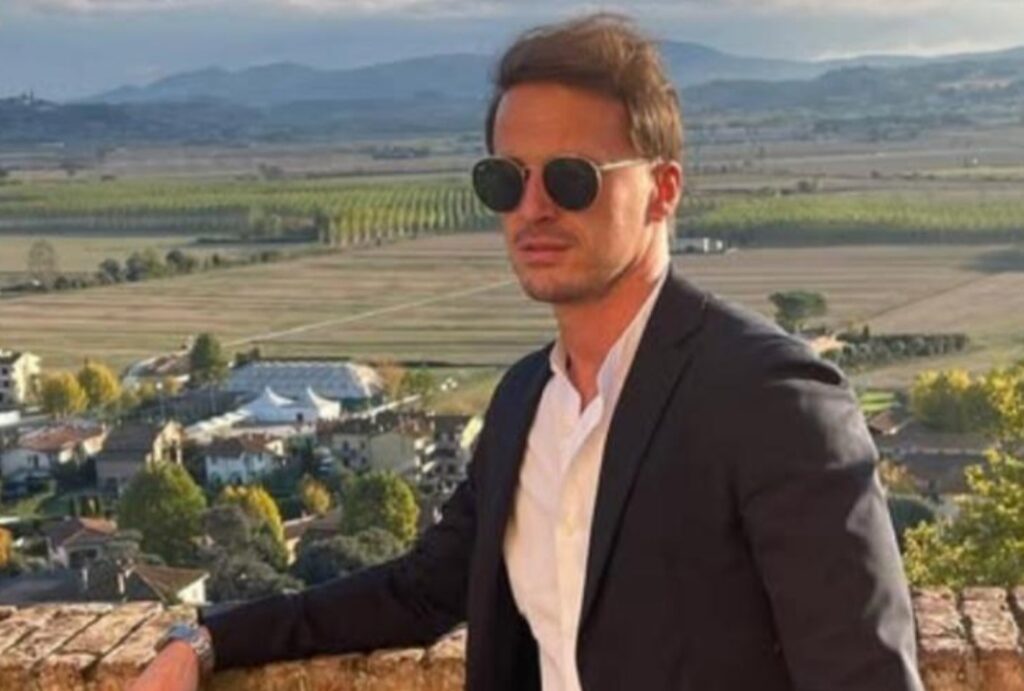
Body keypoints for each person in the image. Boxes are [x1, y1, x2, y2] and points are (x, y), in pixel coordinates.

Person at [131, 14, 924, 691]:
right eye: (505, 180)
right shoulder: (522, 400)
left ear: (662, 189)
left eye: (572, 178)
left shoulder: (770, 396)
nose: (533, 207)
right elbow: (418, 590)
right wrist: (209, 636)